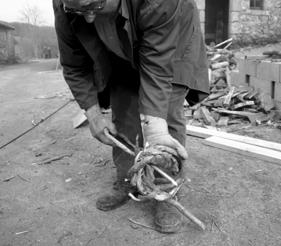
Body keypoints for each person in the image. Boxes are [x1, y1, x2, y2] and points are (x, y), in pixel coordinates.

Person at [53, 0, 209, 233]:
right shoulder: (66, 3)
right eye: (79, 11)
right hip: (118, 42)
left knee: (164, 112)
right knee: (124, 103)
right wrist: (93, 113)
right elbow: (74, 64)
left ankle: (166, 189)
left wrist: (155, 129)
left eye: (94, 8)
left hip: (171, 38)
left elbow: (157, 67)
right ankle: (129, 178)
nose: (88, 19)